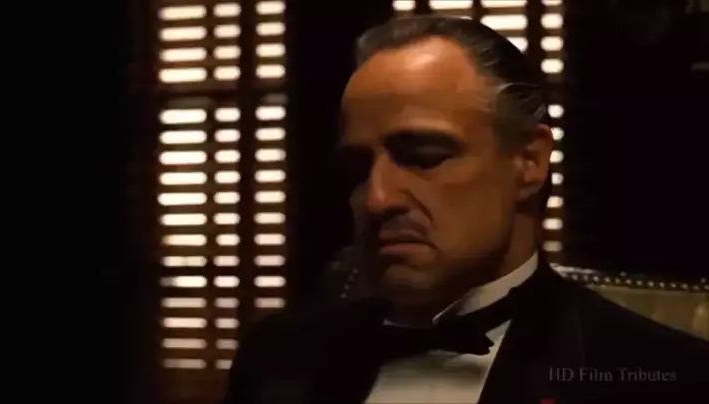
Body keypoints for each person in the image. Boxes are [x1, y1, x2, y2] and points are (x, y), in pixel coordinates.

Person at [223, 16, 708, 404]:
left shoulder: (660, 379)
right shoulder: (276, 361)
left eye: (424, 156)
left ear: (529, 162)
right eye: (357, 168)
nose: (377, 198)